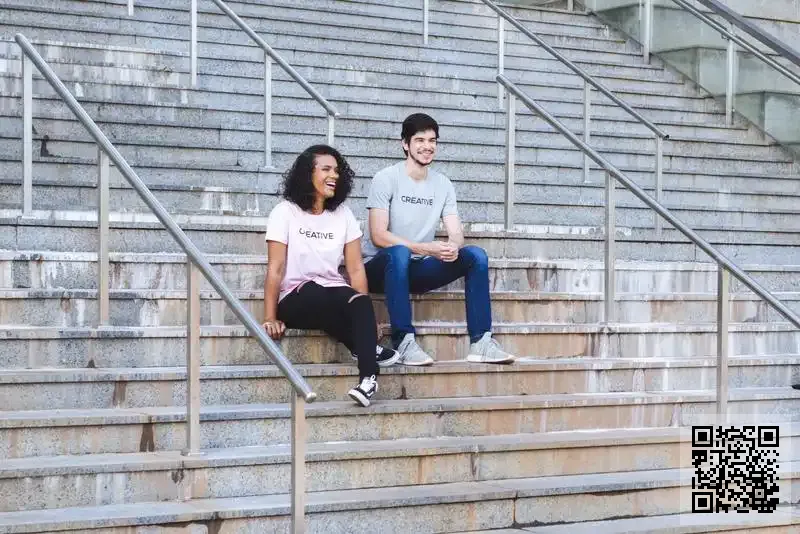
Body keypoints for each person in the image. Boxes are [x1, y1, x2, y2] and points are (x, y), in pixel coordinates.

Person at [363, 113, 516, 366]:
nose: (427, 146)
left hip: (416, 269)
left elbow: (456, 232)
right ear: (405, 144)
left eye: (432, 140)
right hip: (380, 269)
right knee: (399, 252)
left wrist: (452, 247)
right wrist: (425, 248)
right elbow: (378, 235)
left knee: (475, 256)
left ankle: (481, 342)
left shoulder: (443, 184)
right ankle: (404, 341)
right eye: (420, 140)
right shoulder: (385, 178)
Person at [263, 145, 400, 407]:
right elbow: (276, 267)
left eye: (337, 170)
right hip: (295, 297)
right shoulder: (285, 212)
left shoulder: (343, 214)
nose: (334, 175)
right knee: (317, 292)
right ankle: (364, 346)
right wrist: (270, 317)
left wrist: (367, 319)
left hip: (331, 293)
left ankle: (368, 379)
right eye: (326, 169)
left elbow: (356, 269)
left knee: (359, 300)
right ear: (307, 174)